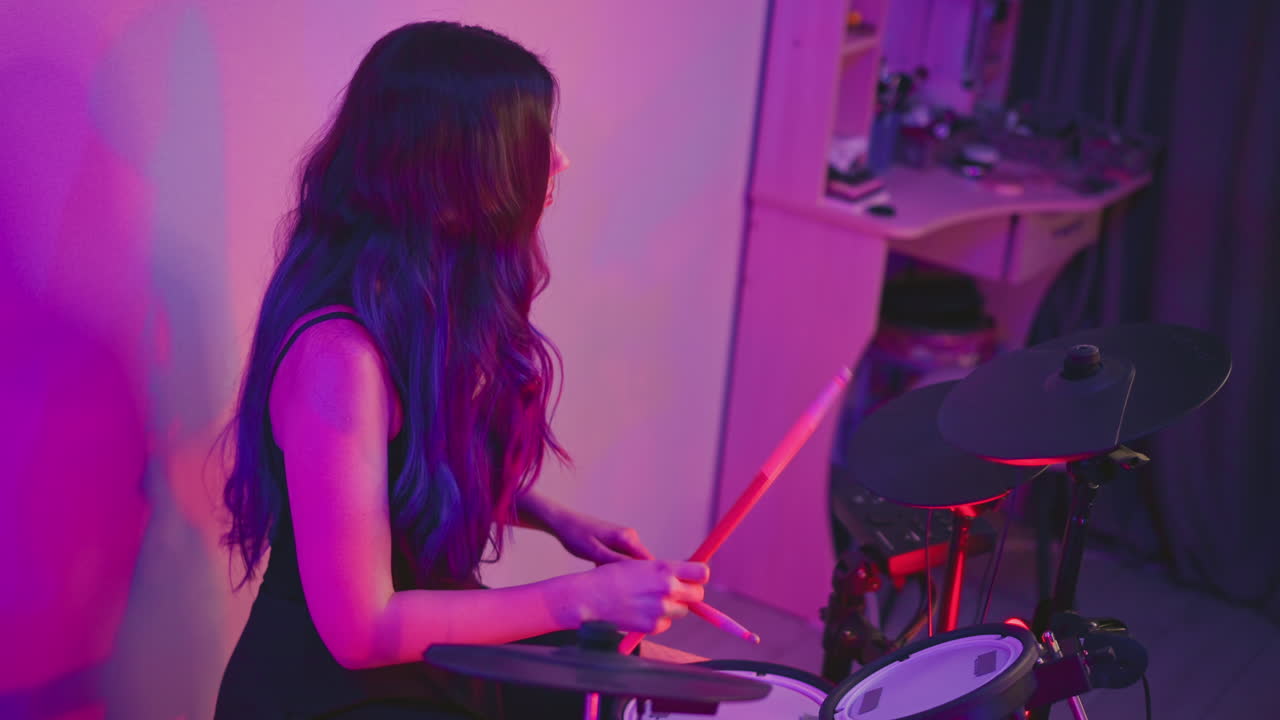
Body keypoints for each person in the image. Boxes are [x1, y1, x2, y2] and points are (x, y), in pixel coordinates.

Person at [213, 21, 708, 719]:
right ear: (455, 172)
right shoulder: (338, 358)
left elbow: (396, 472)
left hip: (427, 659)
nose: (559, 161)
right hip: (337, 694)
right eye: (534, 140)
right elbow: (363, 631)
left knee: (682, 688)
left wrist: (551, 516)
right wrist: (584, 598)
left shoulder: (417, 302)